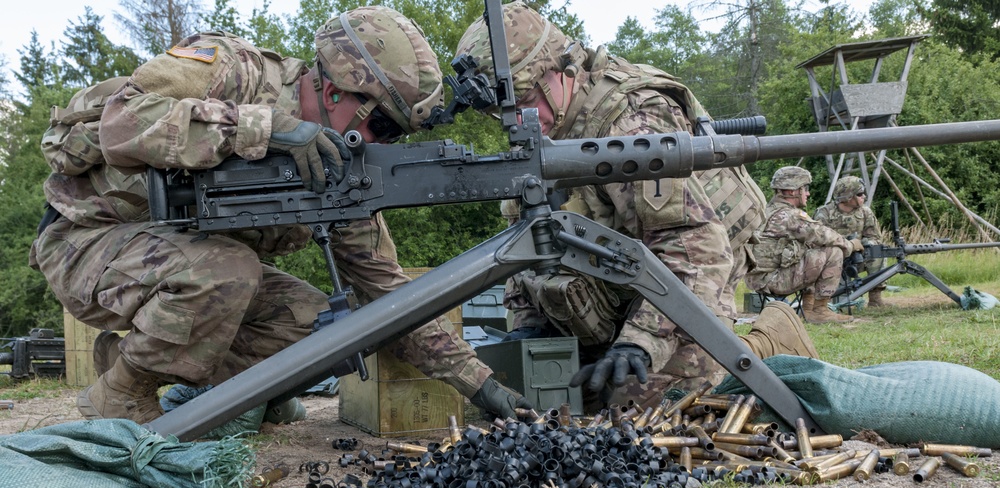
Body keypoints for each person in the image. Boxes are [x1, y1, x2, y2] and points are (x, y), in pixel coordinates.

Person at [30, 6, 530, 424]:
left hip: (182, 268)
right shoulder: (233, 71)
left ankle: (176, 380)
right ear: (337, 92)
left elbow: (388, 296)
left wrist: (480, 384)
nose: (383, 144)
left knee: (330, 330)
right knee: (227, 270)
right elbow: (121, 124)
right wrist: (265, 131)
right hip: (88, 241)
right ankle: (120, 391)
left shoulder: (341, 169)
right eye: (383, 124)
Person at [454, 2, 817, 407]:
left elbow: (697, 246)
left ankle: (768, 340)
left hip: (702, 258)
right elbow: (528, 243)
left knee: (648, 406)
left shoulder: (629, 122)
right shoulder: (534, 132)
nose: (518, 120)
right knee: (572, 399)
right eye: (500, 113)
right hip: (624, 268)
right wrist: (530, 327)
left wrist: (641, 342)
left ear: (560, 70)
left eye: (524, 100)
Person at [745, 166, 865, 324]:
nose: (807, 193)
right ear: (792, 191)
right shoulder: (789, 216)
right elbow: (822, 233)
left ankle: (808, 309)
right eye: (805, 189)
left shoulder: (769, 210)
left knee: (811, 247)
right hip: (773, 280)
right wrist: (851, 245)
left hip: (760, 279)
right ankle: (820, 310)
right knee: (834, 251)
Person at [813, 176, 889, 307]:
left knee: (878, 251)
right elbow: (817, 242)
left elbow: (875, 237)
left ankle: (875, 299)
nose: (863, 196)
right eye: (859, 194)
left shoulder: (865, 212)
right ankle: (825, 301)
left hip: (857, 258)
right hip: (832, 260)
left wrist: (865, 244)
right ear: (848, 197)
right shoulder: (824, 214)